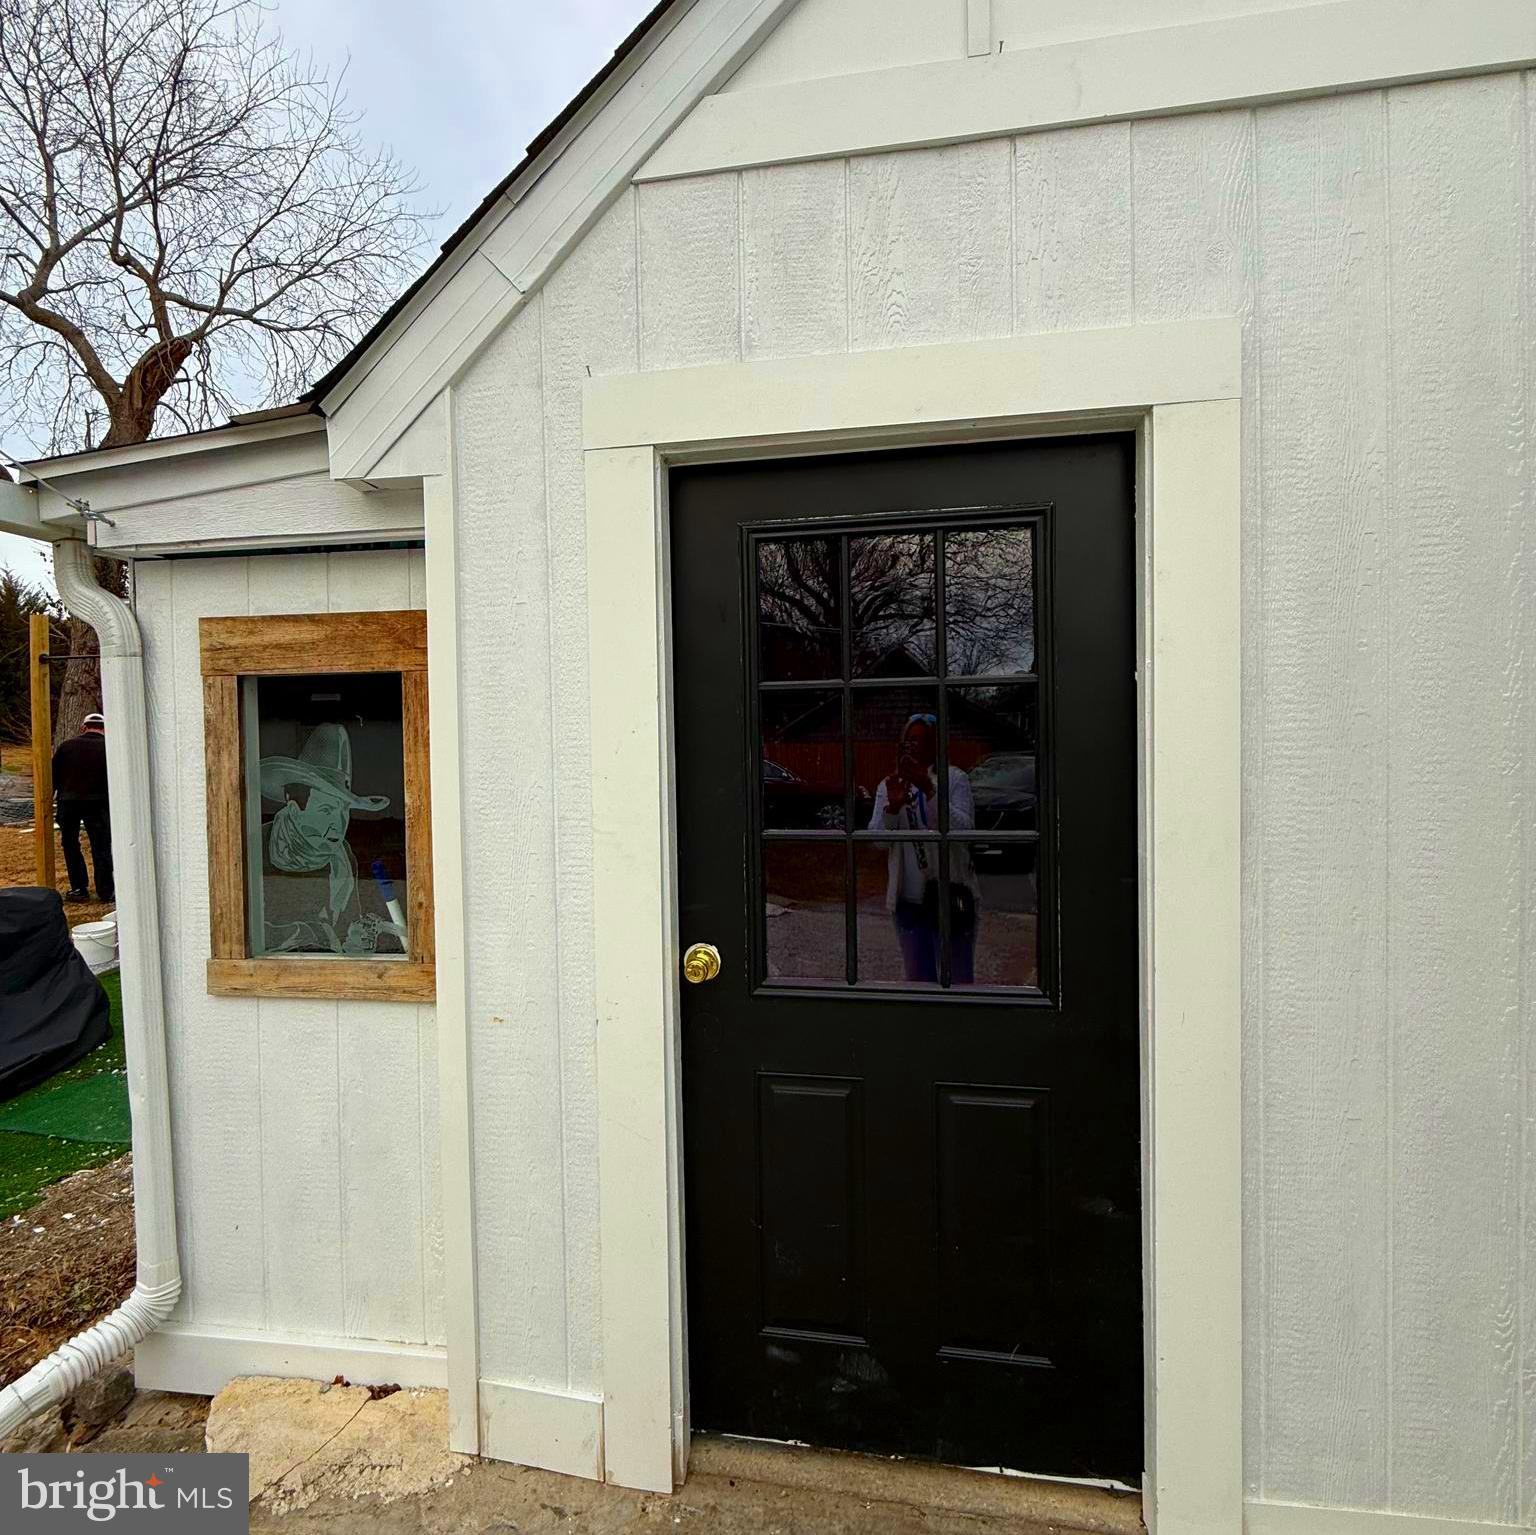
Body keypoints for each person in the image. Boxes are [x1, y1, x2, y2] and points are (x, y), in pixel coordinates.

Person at [257, 722, 405, 956]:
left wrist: (357, 941)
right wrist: (309, 933)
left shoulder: (342, 856)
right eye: (326, 810)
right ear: (294, 808)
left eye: (343, 810)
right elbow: (247, 931)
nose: (338, 823)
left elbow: (345, 931)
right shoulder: (255, 848)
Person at [869, 712, 978, 984]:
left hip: (951, 897)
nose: (915, 746)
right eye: (909, 740)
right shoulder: (889, 784)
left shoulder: (954, 779)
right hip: (909, 902)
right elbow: (878, 840)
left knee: (958, 981)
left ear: (936, 744)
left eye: (922, 740)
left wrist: (929, 790)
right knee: (919, 983)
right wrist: (892, 809)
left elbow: (963, 833)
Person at [52, 711, 113, 903]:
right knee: (100, 846)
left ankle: (79, 888)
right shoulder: (108, 748)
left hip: (68, 802)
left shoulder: (66, 747)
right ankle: (106, 891)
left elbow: (52, 776)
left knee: (70, 844)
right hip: (98, 803)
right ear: (104, 729)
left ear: (84, 727)